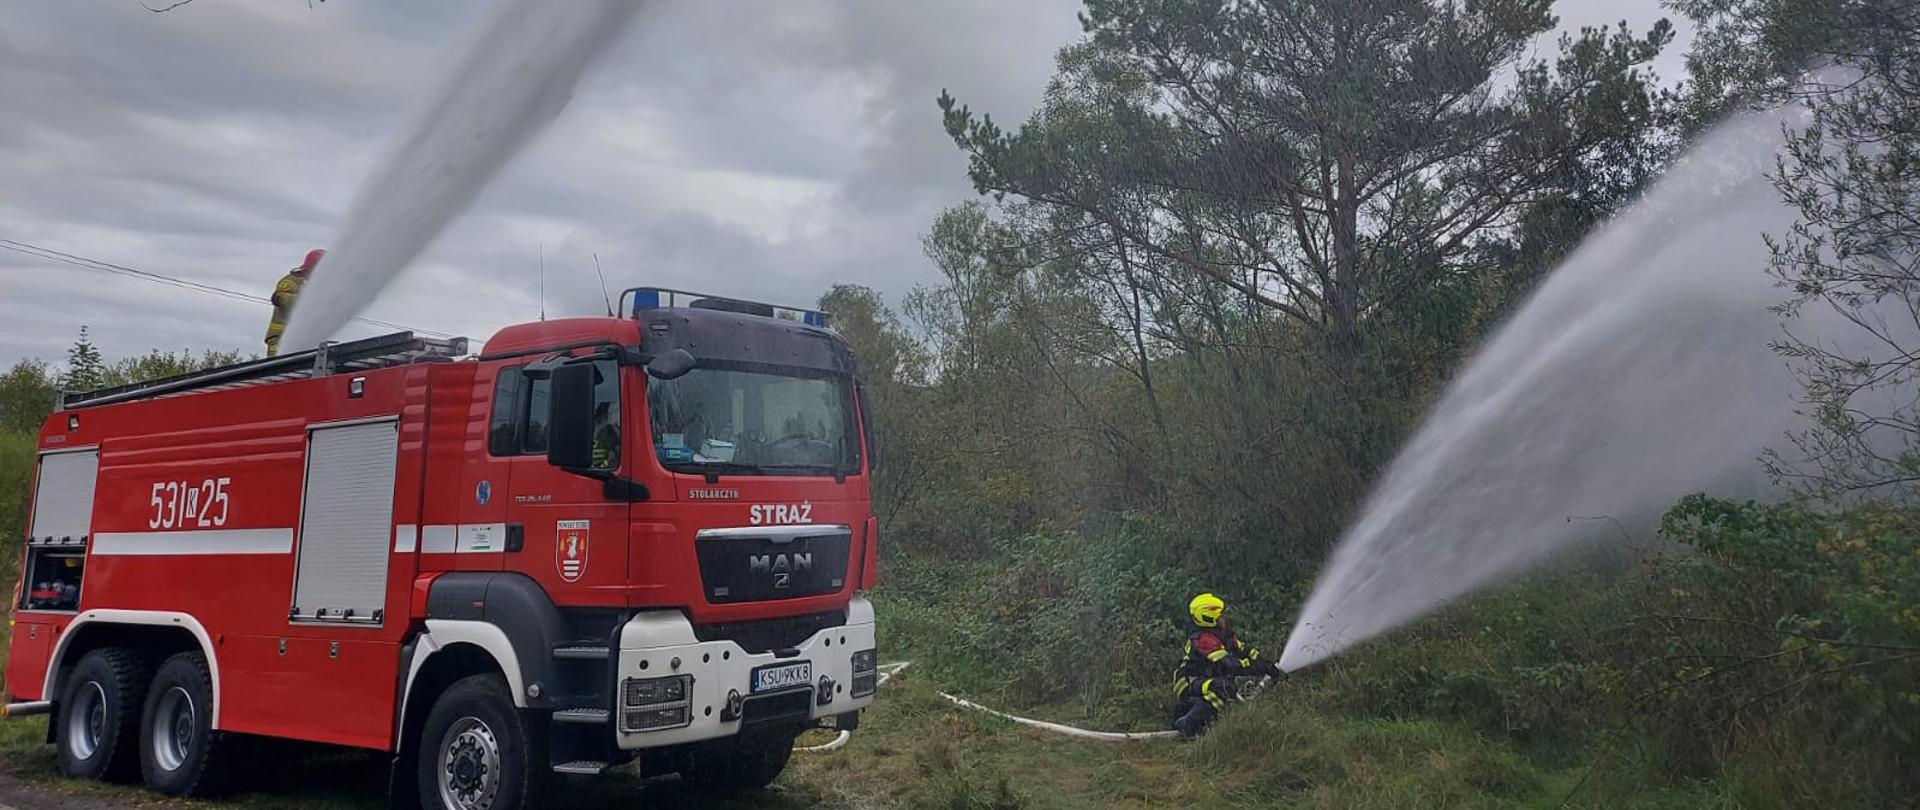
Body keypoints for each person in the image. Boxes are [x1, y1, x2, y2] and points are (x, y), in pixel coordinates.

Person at [1170, 592, 1282, 738]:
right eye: (1220, 616)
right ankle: (1188, 722)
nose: (1224, 618)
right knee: (1224, 687)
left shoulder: (1222, 633)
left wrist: (1265, 662)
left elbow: (1244, 649)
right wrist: (1259, 667)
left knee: (1227, 686)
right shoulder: (1204, 639)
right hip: (1188, 682)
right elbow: (1231, 665)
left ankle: (1196, 715)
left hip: (1202, 679)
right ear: (1209, 618)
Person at [265, 248, 324, 356]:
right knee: (277, 367)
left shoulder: (318, 286)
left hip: (303, 340)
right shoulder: (291, 281)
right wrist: (307, 299)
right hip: (280, 338)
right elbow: (279, 297)